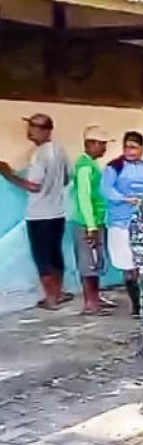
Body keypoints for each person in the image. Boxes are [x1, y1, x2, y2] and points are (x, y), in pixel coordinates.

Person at [0, 113, 71, 309]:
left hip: (40, 215)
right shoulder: (60, 151)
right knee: (55, 255)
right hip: (57, 213)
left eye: (34, 127)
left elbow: (33, 186)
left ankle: (51, 299)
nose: (30, 130)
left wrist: (8, 175)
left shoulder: (40, 154)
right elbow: (66, 180)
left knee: (43, 258)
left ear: (46, 131)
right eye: (30, 126)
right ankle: (58, 293)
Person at [102, 131, 143, 318]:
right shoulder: (114, 167)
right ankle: (136, 305)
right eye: (126, 147)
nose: (130, 151)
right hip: (121, 221)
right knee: (128, 265)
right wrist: (124, 199)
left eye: (134, 147)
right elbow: (106, 190)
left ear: (141, 149)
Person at [70, 126, 111, 315]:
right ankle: (91, 304)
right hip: (87, 223)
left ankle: (95, 300)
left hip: (94, 221)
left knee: (95, 262)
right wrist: (91, 226)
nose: (104, 148)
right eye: (102, 144)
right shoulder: (85, 167)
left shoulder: (91, 165)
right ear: (91, 144)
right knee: (89, 264)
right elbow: (84, 197)